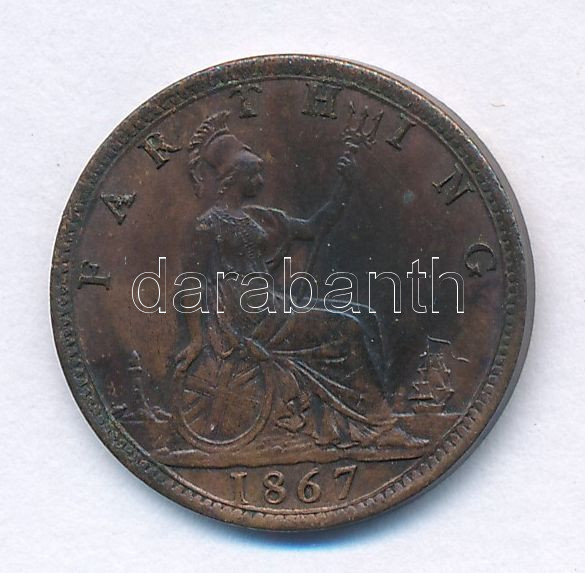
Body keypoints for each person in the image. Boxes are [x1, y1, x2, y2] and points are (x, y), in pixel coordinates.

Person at [172, 110, 424, 451]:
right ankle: (377, 425)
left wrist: (345, 187)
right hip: (246, 316)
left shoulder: (259, 218)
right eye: (256, 173)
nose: (262, 180)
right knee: (348, 328)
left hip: (271, 304)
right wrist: (196, 339)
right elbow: (190, 282)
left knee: (363, 313)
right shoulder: (208, 225)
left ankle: (360, 418)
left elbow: (315, 227)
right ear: (236, 175)